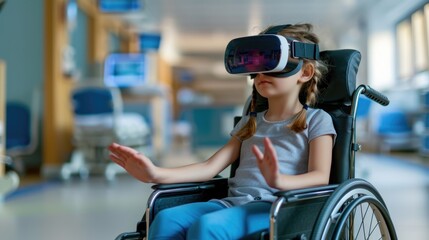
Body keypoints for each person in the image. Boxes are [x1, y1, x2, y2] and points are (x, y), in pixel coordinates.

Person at [109, 23, 336, 240]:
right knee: (167, 219)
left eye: (272, 64)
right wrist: (156, 174)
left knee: (208, 228)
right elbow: (210, 167)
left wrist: (279, 180)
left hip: (277, 207)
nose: (261, 73)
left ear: (305, 73)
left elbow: (320, 177)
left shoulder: (317, 120)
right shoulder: (250, 123)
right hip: (232, 203)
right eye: (257, 67)